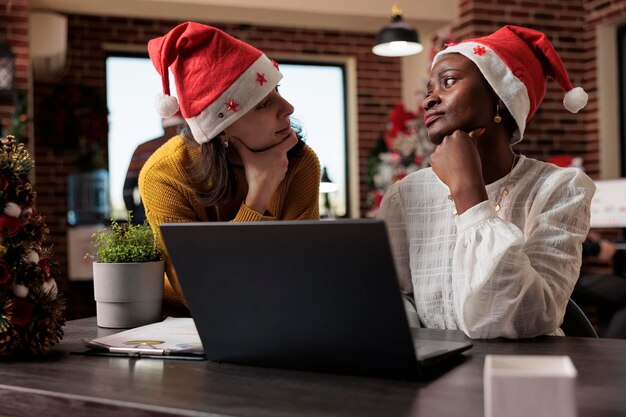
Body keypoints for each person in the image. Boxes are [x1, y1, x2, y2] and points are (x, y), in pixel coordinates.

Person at [377, 25, 596, 339]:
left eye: (448, 81)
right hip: (432, 376)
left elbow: (526, 316)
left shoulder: (560, 188)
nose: (429, 101)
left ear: (501, 99)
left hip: (523, 376)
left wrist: (469, 195)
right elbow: (395, 300)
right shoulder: (403, 196)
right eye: (428, 90)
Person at [139, 22, 321, 313]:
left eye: (278, 90)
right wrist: (259, 194)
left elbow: (299, 276)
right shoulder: (165, 175)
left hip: (278, 314)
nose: (288, 107)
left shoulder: (300, 162)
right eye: (262, 104)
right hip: (187, 323)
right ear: (221, 130)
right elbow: (205, 289)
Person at [123, 115, 185, 224]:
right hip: (182, 217)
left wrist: (135, 217)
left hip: (145, 216)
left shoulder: (142, 149)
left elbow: (127, 190)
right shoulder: (190, 149)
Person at [572, 231, 626, 338]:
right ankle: (611, 347)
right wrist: (595, 248)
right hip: (574, 281)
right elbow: (564, 245)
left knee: (610, 302)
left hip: (578, 279)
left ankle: (605, 346)